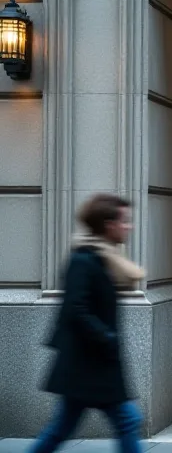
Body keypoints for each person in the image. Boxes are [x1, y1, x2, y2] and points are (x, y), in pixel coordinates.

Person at [32, 194, 145, 453]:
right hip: (87, 364)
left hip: (90, 364)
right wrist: (106, 337)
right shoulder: (84, 260)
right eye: (125, 221)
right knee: (127, 420)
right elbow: (75, 309)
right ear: (108, 224)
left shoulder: (104, 259)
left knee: (62, 428)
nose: (129, 227)